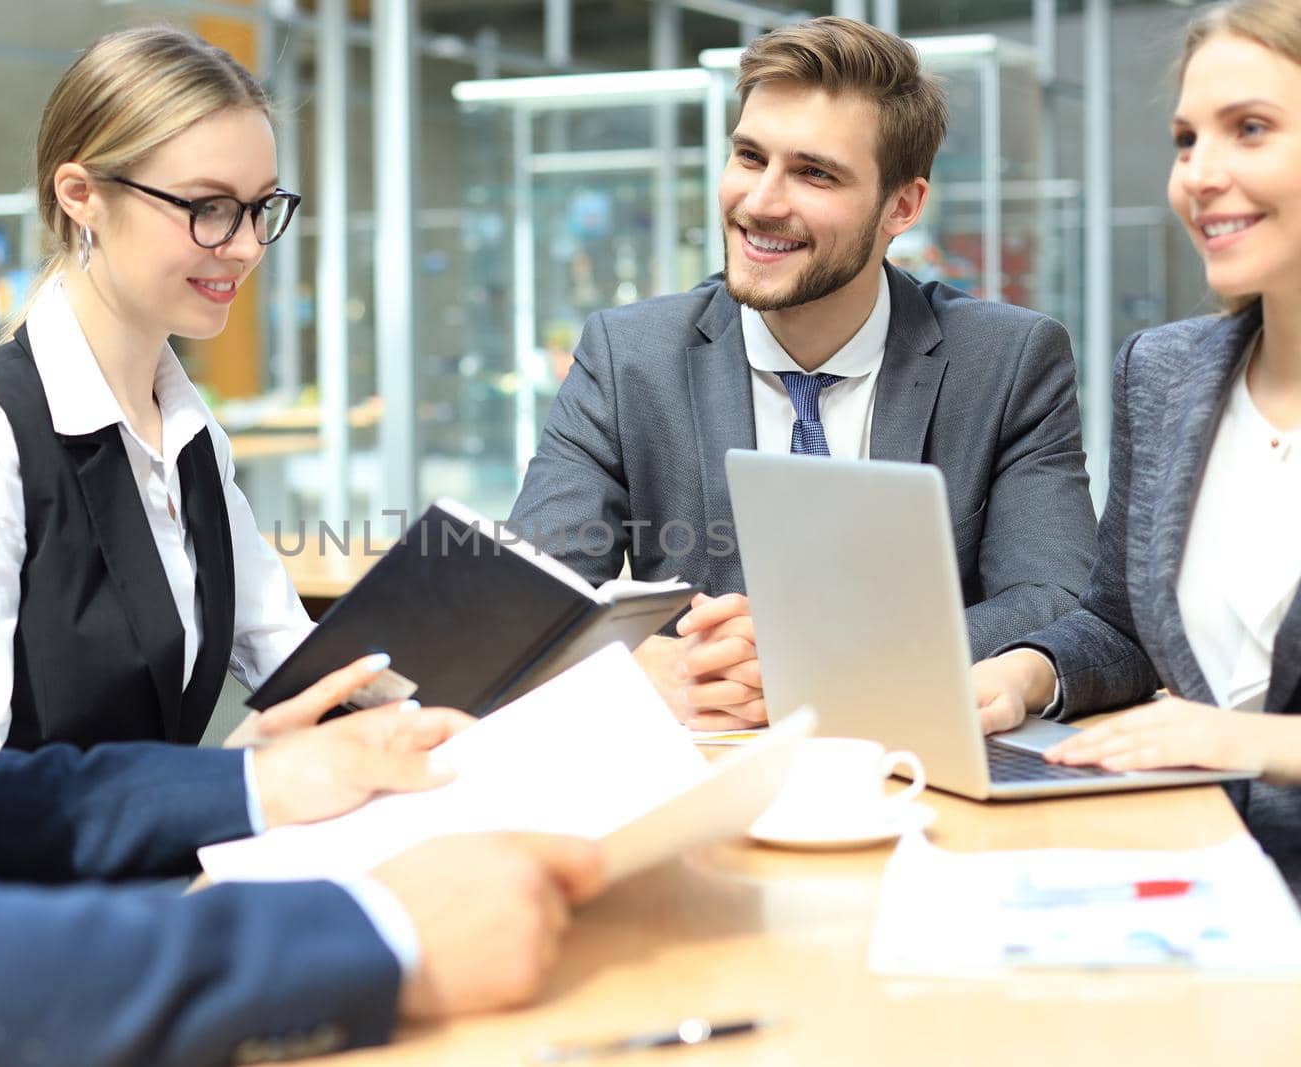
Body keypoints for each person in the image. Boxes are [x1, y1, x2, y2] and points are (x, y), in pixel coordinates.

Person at [0, 3, 603, 1063]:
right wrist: (375, 934)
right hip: (53, 972)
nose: (244, 247)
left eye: (261, 209)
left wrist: (266, 781)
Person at [507, 17, 1097, 731]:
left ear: (902, 206)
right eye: (750, 158)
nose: (761, 202)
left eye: (814, 173)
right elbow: (532, 597)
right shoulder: (628, 357)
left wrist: (810, 657)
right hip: (704, 769)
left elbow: (1055, 596)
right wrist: (636, 668)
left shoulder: (1007, 363)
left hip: (909, 763)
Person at [0, 26, 356, 751]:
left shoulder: (188, 435)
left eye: (260, 207)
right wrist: (227, 787)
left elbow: (295, 662)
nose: (249, 245)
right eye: (209, 207)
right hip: (56, 863)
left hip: (170, 854)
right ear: (82, 196)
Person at [971, 0, 1301, 892]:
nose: (1201, 173)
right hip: (1183, 871)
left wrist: (1251, 743)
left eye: (1252, 130)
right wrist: (1024, 675)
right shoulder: (1167, 374)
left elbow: (1230, 727)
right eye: (1187, 139)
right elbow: (1122, 621)